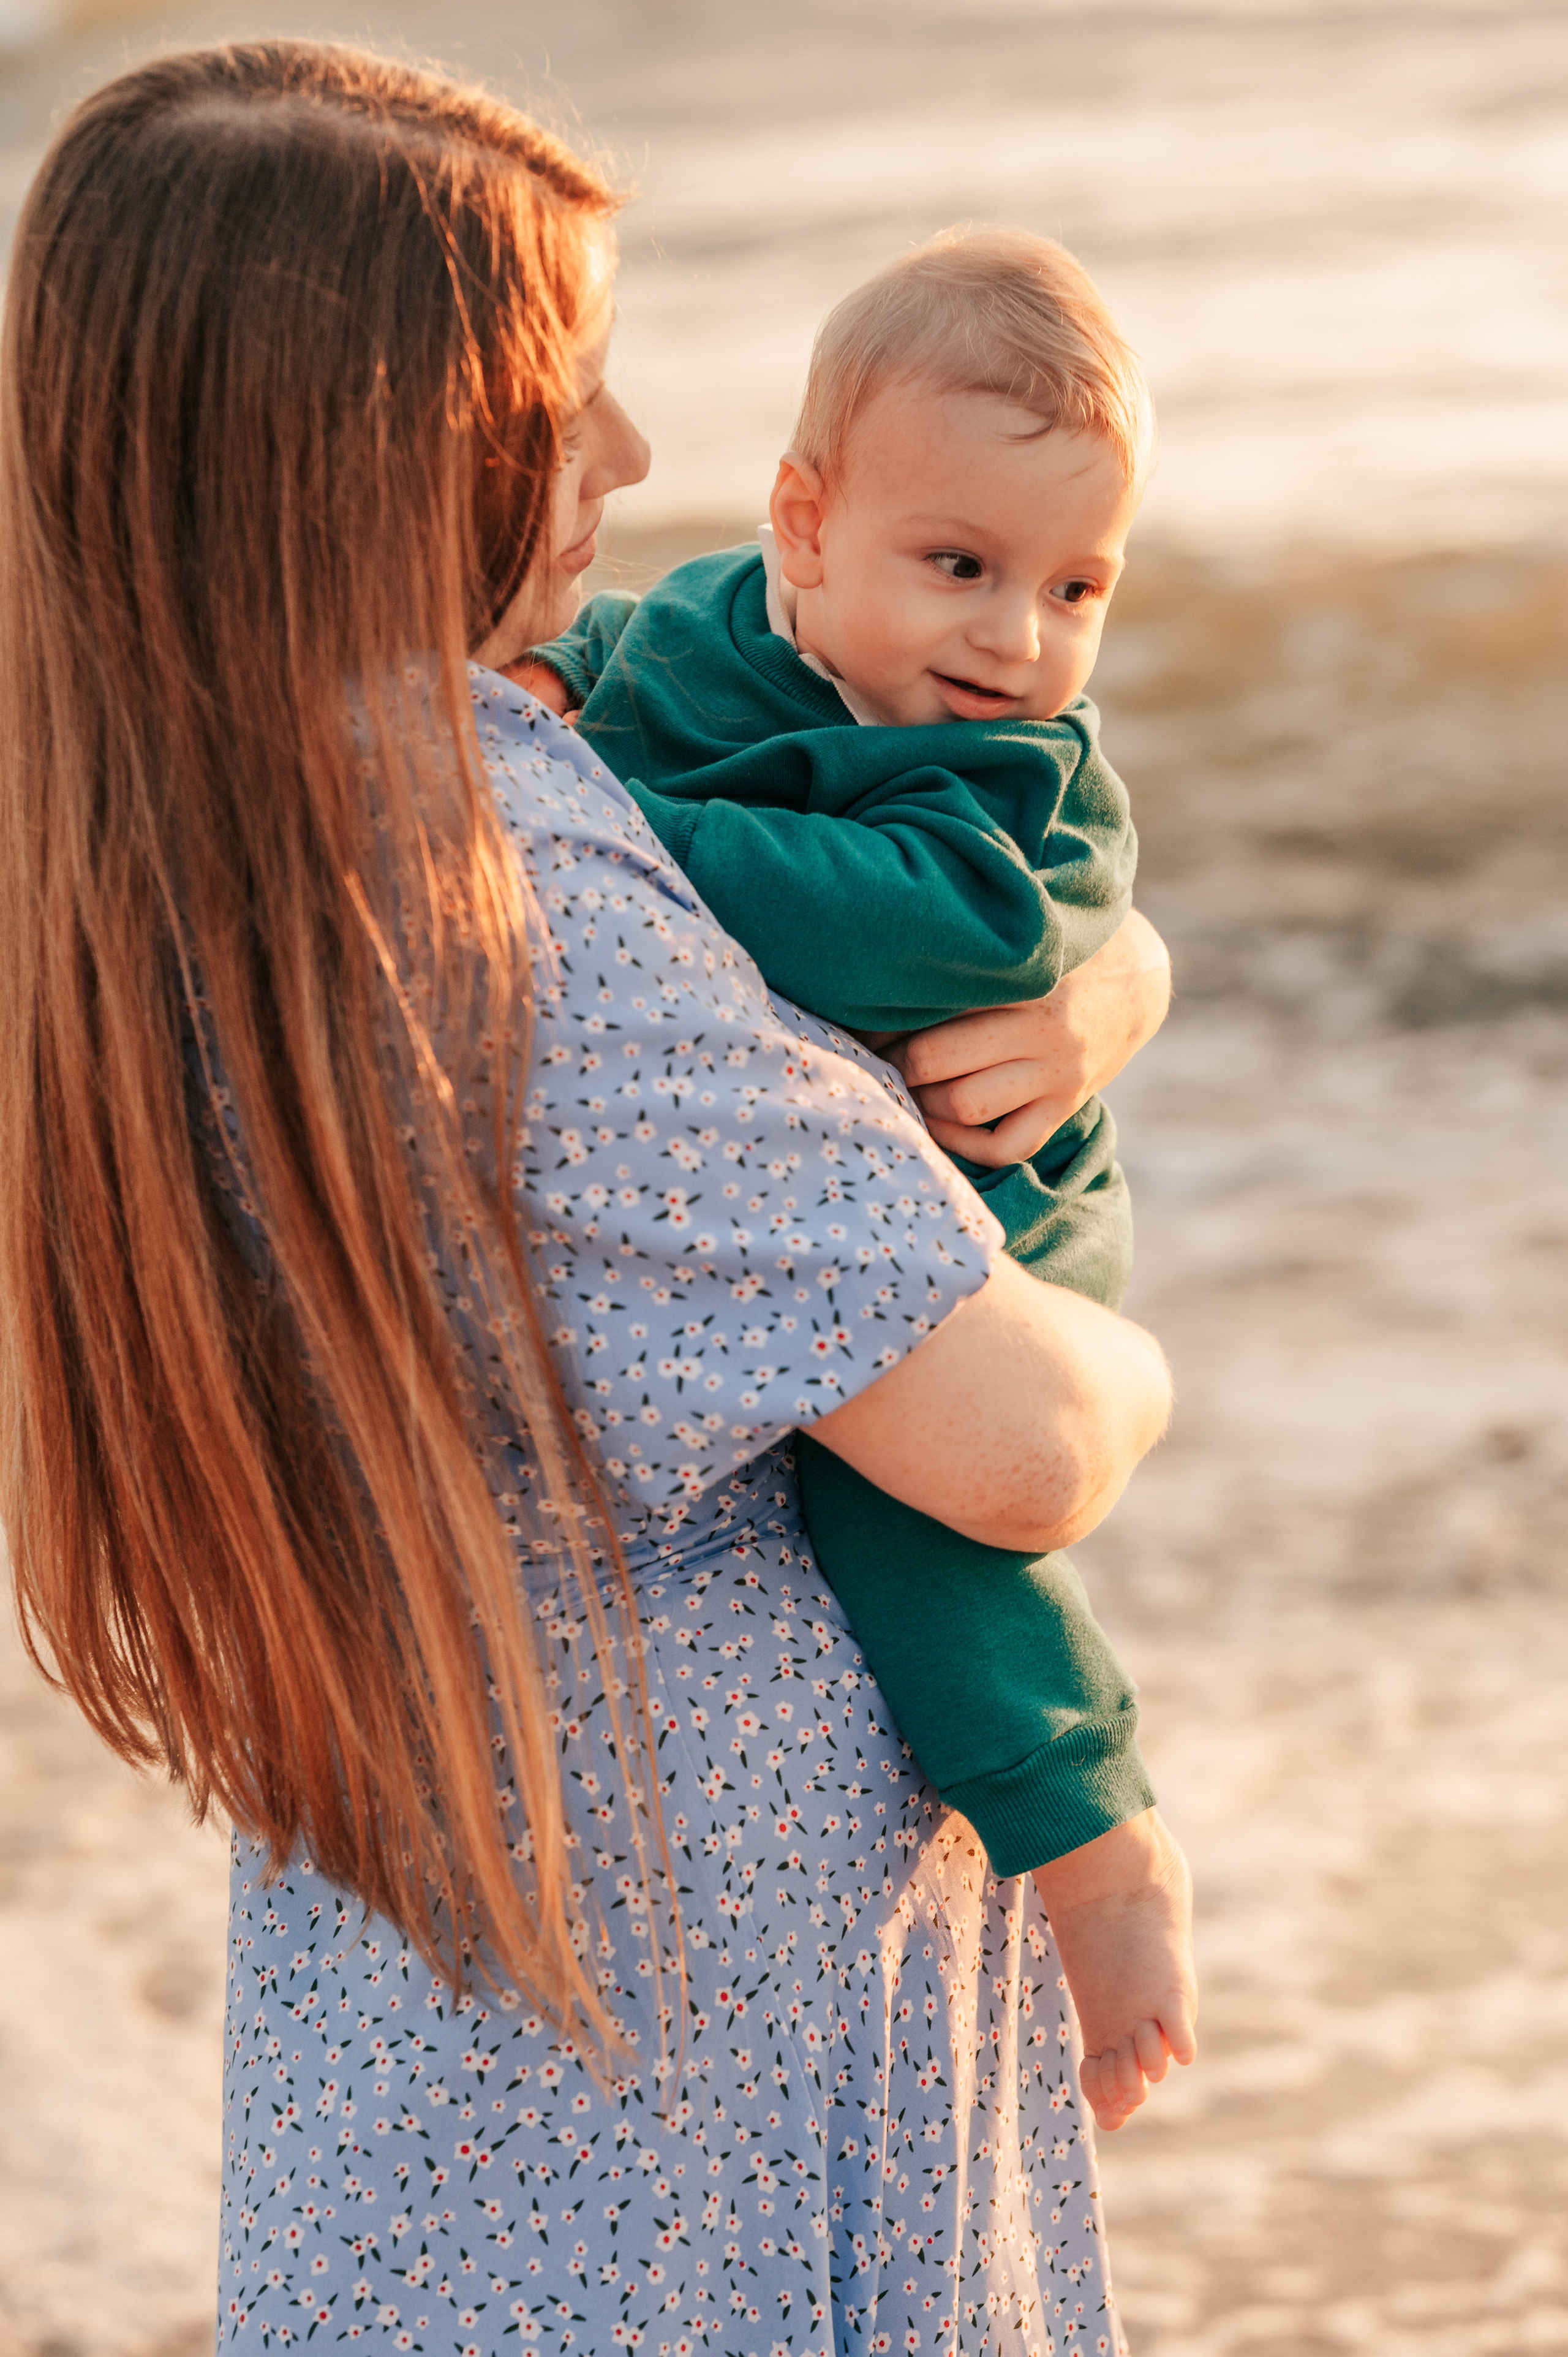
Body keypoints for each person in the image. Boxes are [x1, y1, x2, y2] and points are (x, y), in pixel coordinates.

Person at [0, 42, 1175, 2357]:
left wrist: (1105, 969)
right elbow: (1018, 1440)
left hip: (433, 2028)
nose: (634, 460)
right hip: (680, 2080)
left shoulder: (153, 841)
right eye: (572, 389)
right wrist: (1133, 1348)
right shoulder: (497, 894)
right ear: (382, 441)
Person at [516, 229, 1197, 2106]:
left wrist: (614, 819)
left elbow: (944, 932)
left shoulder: (1015, 777)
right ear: (802, 529)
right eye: (960, 566)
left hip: (1001, 1205)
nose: (1016, 638)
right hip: (853, 1196)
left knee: (915, 1521)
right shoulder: (701, 641)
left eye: (1079, 586)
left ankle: (1088, 1823)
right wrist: (566, 724)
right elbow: (580, 670)